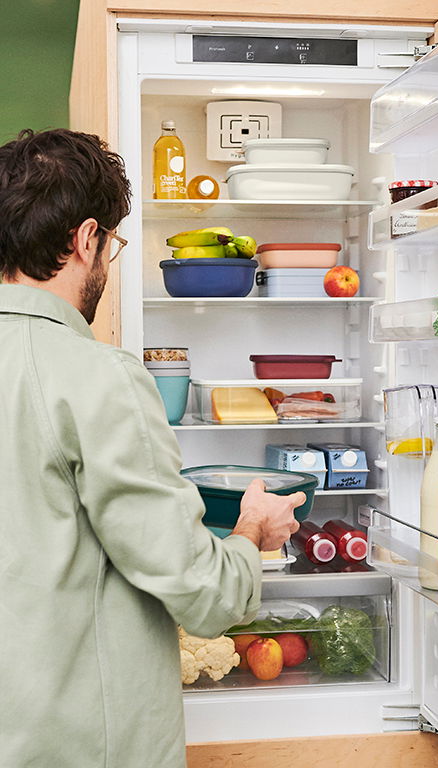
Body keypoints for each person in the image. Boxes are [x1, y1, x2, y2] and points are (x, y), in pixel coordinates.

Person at [0, 128, 304, 768]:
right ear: (87, 240)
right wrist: (252, 530)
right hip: (78, 744)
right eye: (111, 243)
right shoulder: (97, 376)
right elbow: (205, 594)